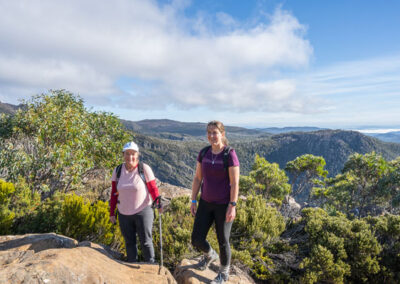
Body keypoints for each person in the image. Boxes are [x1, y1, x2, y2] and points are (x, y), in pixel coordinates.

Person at [191, 121, 240, 284]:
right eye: (209, 132)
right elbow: (198, 178)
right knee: (196, 239)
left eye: (215, 132)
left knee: (223, 240)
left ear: (222, 134)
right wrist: (193, 200)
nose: (212, 136)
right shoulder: (204, 152)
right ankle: (210, 255)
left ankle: (224, 273)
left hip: (223, 205)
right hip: (205, 202)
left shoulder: (229, 154)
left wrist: (232, 206)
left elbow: (234, 183)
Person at [109, 141, 163, 263]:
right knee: (129, 243)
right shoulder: (117, 171)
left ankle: (150, 266)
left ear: (137, 155)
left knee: (146, 242)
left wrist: (157, 202)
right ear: (123, 155)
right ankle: (132, 267)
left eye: (133, 154)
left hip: (143, 211)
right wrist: (112, 212)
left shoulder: (144, 169)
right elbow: (113, 193)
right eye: (127, 154)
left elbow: (153, 188)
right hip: (123, 213)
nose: (130, 157)